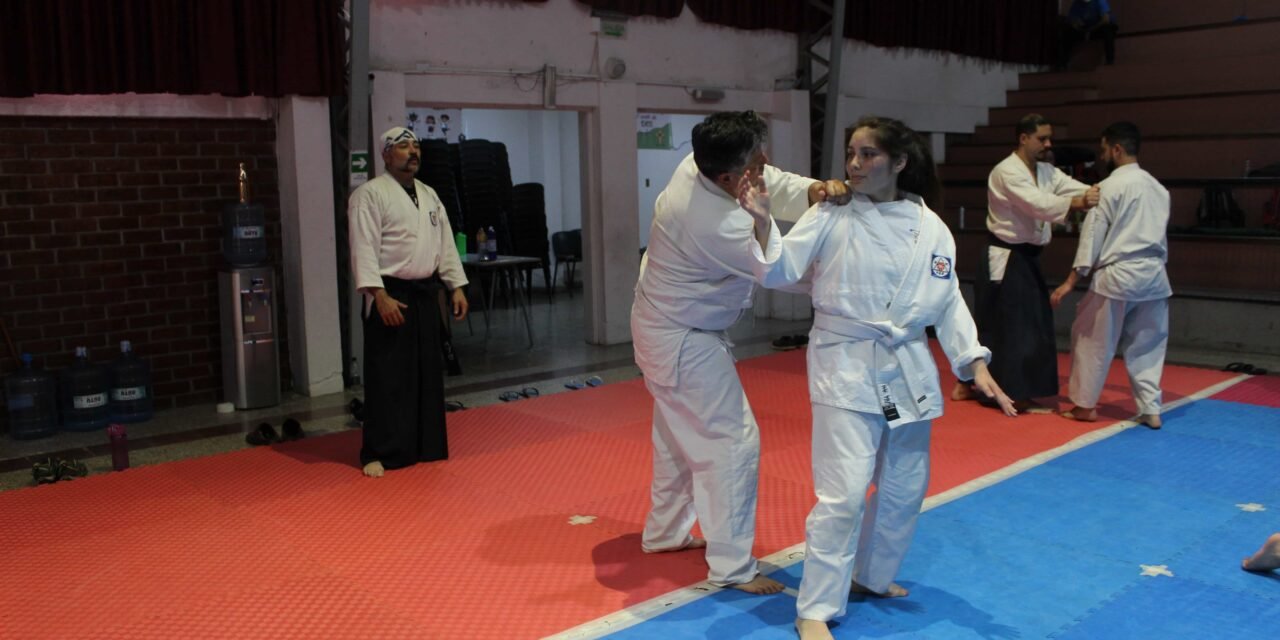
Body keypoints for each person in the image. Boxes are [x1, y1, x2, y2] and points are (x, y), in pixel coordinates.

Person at [738, 116, 1016, 640]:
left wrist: (972, 361)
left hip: (905, 366)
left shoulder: (931, 226)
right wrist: (761, 220)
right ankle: (815, 607)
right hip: (844, 361)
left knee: (903, 489)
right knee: (842, 495)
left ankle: (872, 576)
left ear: (900, 162)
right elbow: (779, 269)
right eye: (851, 154)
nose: (854, 165)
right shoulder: (831, 212)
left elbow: (948, 297)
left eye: (868, 155)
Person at [632, 110, 849, 595]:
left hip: (667, 325)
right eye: (755, 160)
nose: (766, 163)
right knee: (732, 442)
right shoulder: (713, 221)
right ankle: (732, 566)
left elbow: (765, 178)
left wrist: (812, 190)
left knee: (679, 441)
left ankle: (665, 534)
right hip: (681, 338)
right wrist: (850, 271)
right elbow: (781, 270)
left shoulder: (700, 165)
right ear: (729, 177)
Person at [952, 113, 1099, 413]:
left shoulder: (1046, 171)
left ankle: (1003, 385)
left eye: (1049, 138)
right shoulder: (1007, 171)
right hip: (1004, 256)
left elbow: (1073, 187)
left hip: (1026, 257)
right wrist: (1078, 203)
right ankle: (977, 384)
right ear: (1023, 138)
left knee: (1029, 323)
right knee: (1007, 324)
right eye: (1041, 138)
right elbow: (1037, 204)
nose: (1048, 143)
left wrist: (1099, 192)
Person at [349, 127, 469, 477]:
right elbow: (363, 248)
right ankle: (379, 450)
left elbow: (444, 244)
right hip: (391, 294)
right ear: (386, 155)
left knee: (426, 374)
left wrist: (455, 285)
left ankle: (425, 444)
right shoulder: (370, 194)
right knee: (389, 376)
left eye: (416, 146)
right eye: (403, 146)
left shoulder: (430, 195)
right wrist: (379, 294)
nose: (412, 152)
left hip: (425, 293)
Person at [1051, 122, 1170, 429]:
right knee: (1148, 344)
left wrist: (1070, 281)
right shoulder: (1159, 189)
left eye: (1104, 149)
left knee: (1091, 338)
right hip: (1155, 276)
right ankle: (1150, 408)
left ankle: (1085, 406)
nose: (1102, 155)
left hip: (1118, 275)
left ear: (1116, 149)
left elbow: (1091, 238)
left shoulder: (1107, 188)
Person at [1060, 0, 1118, 67]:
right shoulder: (1077, 3)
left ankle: (1110, 59)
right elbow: (1071, 19)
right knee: (1067, 31)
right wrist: (1076, 24)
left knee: (1108, 29)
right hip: (1085, 27)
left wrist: (1091, 30)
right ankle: (1063, 62)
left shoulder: (1099, 1)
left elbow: (1105, 20)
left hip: (1099, 26)